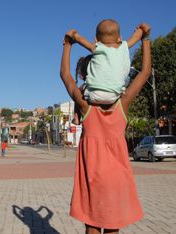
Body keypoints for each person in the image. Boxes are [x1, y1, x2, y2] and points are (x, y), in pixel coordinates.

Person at [60, 21, 151, 234]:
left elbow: (65, 75)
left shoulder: (84, 106)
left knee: (92, 225)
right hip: (117, 176)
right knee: (112, 227)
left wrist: (67, 45)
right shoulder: (123, 104)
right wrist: (145, 40)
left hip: (91, 172)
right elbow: (145, 73)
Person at [67, 19, 144, 125]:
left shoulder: (96, 47)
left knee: (79, 90)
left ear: (96, 39)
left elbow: (79, 39)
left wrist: (73, 35)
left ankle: (76, 117)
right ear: (120, 38)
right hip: (115, 95)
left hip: (93, 96)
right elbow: (136, 37)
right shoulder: (124, 47)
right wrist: (141, 30)